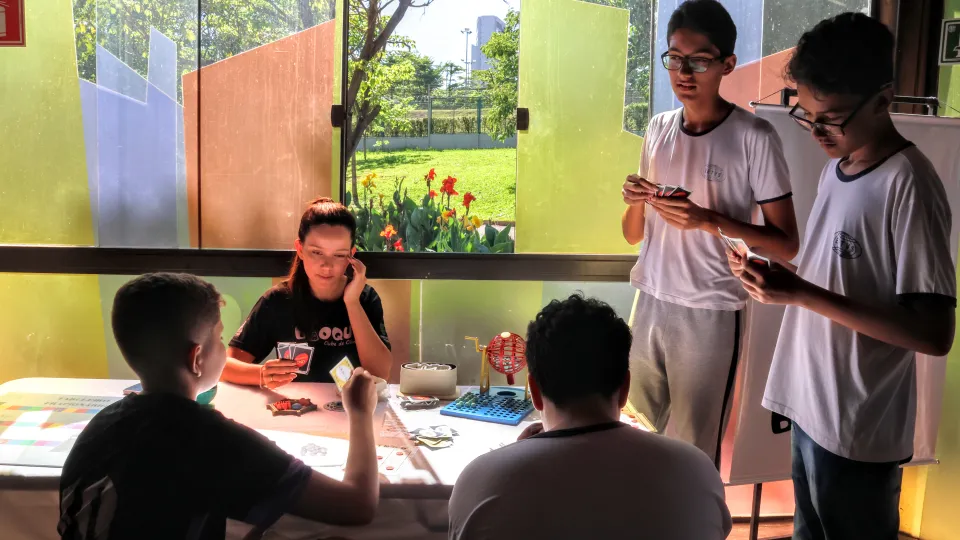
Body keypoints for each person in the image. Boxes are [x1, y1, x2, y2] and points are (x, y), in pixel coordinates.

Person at [728, 13, 956, 540]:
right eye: (807, 116)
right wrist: (780, 279)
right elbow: (840, 274)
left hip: (860, 426)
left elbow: (932, 333)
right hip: (812, 403)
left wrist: (802, 292)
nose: (817, 133)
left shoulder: (909, 184)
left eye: (830, 118)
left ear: (882, 98)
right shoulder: (839, 168)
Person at [58, 273, 381, 539]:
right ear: (197, 358)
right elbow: (357, 506)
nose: (224, 348)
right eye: (220, 339)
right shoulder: (208, 439)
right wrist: (360, 412)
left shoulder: (101, 424)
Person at [620, 0, 799, 466]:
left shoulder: (754, 136)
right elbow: (631, 236)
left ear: (727, 65)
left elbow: (786, 242)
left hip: (712, 310)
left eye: (698, 60)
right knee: (631, 433)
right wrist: (634, 200)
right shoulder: (658, 129)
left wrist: (707, 219)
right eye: (674, 58)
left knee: (696, 453)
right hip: (650, 301)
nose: (683, 71)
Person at [448, 295, 732, 540]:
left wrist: (514, 459)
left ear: (534, 390)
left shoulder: (483, 480)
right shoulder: (697, 470)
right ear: (624, 388)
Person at [223, 197, 392, 389]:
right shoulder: (278, 300)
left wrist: (352, 302)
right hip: (296, 410)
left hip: (351, 409)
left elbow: (381, 373)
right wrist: (262, 374)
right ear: (300, 249)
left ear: (351, 255)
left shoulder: (365, 298)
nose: (327, 266)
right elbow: (226, 366)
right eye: (317, 252)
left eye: (339, 255)